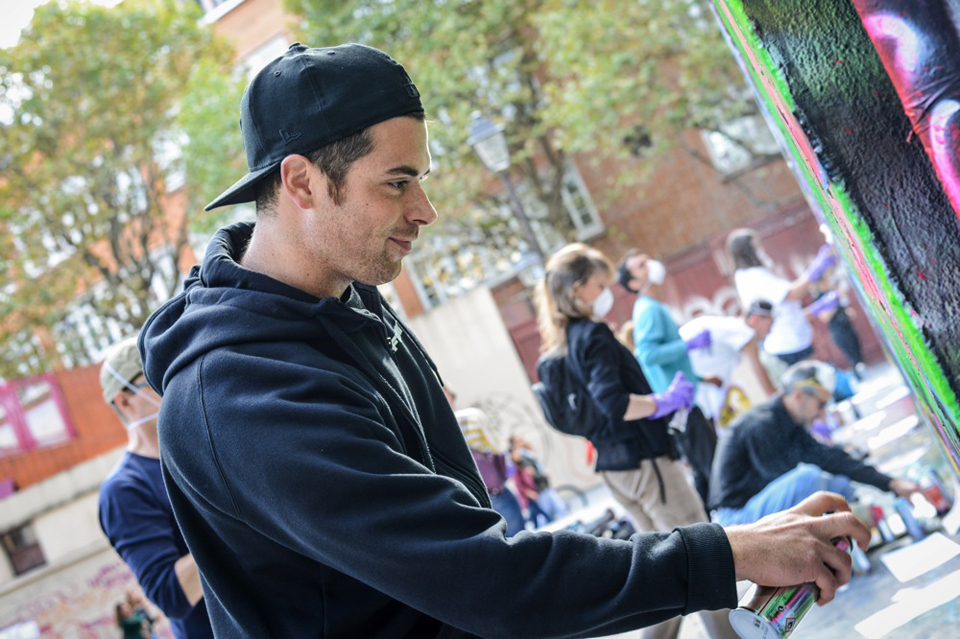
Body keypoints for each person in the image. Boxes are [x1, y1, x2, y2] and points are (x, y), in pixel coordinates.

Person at [139, 43, 870, 638]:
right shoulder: (239, 393)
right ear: (300, 182)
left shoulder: (345, 294)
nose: (425, 209)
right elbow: (484, 576)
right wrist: (735, 550)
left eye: (420, 178)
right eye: (396, 183)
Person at [536, 243, 739, 639]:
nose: (605, 293)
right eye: (598, 285)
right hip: (645, 463)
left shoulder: (563, 342)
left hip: (616, 469)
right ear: (577, 289)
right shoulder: (592, 334)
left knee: (665, 568)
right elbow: (614, 402)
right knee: (702, 555)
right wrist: (661, 402)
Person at [708, 360, 919, 526]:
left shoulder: (790, 422)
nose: (821, 414)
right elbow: (786, 476)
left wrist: (890, 483)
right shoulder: (761, 425)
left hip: (760, 505)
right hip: (737, 519)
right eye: (821, 404)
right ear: (799, 395)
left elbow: (829, 459)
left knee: (839, 483)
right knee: (809, 478)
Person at [97, 337, 212, 639]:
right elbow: (170, 595)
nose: (170, 384)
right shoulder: (124, 491)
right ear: (124, 401)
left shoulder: (202, 450)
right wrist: (240, 525)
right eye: (154, 377)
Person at [616, 249, 720, 505]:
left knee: (704, 470)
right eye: (641, 265)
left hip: (682, 401)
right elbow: (649, 355)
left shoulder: (651, 307)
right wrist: (689, 344)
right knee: (713, 465)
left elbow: (667, 362)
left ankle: (711, 525)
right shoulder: (648, 310)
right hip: (678, 405)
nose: (650, 265)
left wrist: (699, 378)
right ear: (633, 283)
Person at [726, 228, 837, 366]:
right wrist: (817, 267)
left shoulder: (746, 276)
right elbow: (791, 295)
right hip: (790, 344)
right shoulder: (753, 275)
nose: (760, 250)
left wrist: (817, 308)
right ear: (747, 250)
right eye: (756, 246)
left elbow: (784, 309)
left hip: (792, 339)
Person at [678, 300, 778, 425]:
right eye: (770, 325)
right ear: (755, 319)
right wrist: (779, 400)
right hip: (694, 395)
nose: (770, 332)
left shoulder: (728, 325)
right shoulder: (743, 330)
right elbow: (759, 369)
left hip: (689, 391)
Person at [444, 387, 526, 536]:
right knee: (520, 542)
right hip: (493, 493)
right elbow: (498, 449)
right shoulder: (471, 417)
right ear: (450, 395)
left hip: (463, 504)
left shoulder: (427, 432)